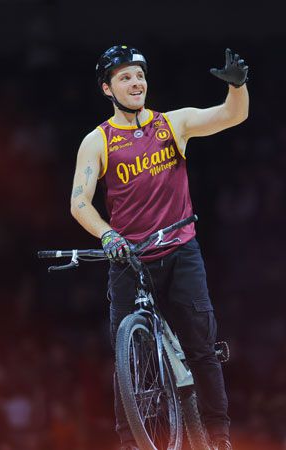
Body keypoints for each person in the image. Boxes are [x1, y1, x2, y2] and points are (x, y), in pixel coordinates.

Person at [70, 44, 249, 450]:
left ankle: (219, 437)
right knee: (128, 362)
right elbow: (79, 203)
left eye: (140, 76)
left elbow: (231, 115)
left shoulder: (173, 124)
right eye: (125, 78)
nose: (136, 83)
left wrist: (238, 87)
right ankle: (131, 444)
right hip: (128, 259)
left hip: (180, 252)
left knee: (201, 348)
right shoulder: (97, 141)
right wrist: (107, 235)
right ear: (107, 88)